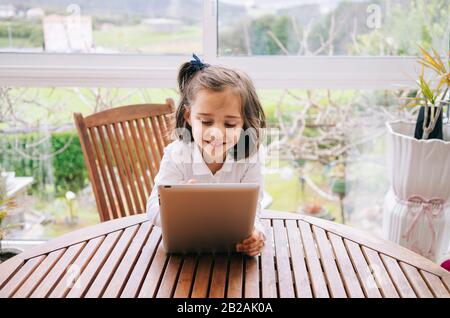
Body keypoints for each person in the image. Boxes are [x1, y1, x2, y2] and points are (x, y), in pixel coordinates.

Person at [147, 54, 267, 257]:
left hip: (233, 258)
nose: (216, 133)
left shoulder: (249, 158)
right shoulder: (176, 154)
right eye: (206, 122)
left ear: (243, 124)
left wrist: (256, 234)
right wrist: (174, 204)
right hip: (183, 258)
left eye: (229, 124)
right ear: (189, 117)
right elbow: (152, 211)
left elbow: (254, 212)